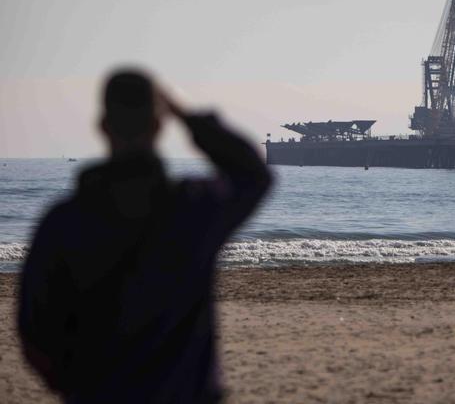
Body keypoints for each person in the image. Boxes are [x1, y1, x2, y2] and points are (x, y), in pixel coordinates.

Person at [18, 67, 272, 402]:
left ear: (102, 127)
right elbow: (253, 174)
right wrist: (187, 114)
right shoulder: (195, 209)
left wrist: (77, 387)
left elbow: (35, 331)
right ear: (158, 126)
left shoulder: (64, 221)